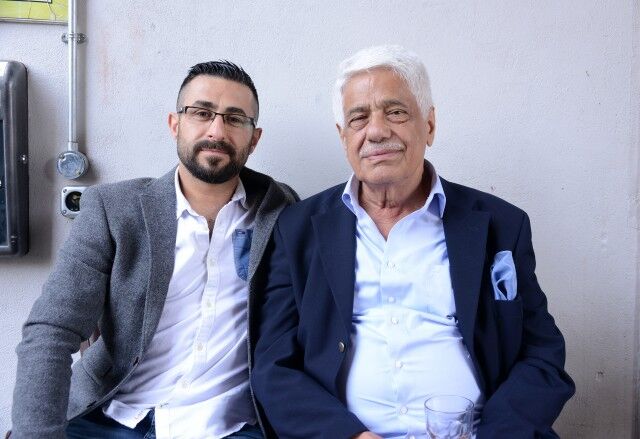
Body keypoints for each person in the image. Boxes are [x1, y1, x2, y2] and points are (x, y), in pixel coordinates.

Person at [252, 45, 574, 439]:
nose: (376, 131)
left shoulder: (502, 225)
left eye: (395, 112)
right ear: (343, 136)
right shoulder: (297, 229)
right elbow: (272, 366)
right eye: (359, 118)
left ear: (430, 125)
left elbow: (541, 354)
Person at [11, 60, 297, 439]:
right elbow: (52, 329)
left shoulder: (281, 210)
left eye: (234, 118)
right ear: (175, 124)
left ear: (254, 138)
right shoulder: (114, 210)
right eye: (202, 113)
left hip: (227, 425)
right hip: (110, 414)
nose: (216, 130)